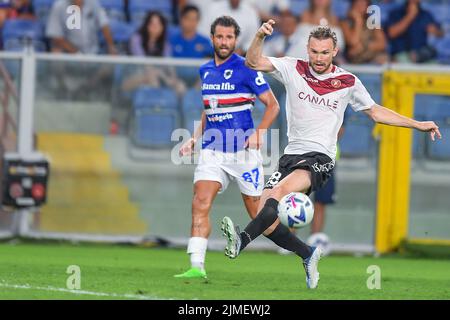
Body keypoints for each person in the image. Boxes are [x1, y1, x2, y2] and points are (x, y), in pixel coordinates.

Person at [220, 21, 442, 289]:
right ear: (308, 50)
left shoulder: (348, 81)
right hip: (290, 155)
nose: (319, 57)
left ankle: (240, 241)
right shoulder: (293, 67)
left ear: (334, 51)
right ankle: (308, 253)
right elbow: (253, 63)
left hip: (319, 159)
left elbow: (376, 112)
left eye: (324, 52)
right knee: (264, 217)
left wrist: (417, 124)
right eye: (314, 52)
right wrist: (258, 36)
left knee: (275, 197)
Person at [174, 16, 280, 279]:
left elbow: (273, 105)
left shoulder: (247, 68)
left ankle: (301, 248)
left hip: (243, 153)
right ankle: (196, 266)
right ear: (212, 38)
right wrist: (194, 139)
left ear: (235, 39)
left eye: (229, 37)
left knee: (258, 214)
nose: (224, 42)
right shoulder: (205, 70)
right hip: (212, 150)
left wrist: (259, 133)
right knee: (200, 202)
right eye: (219, 37)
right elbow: (209, 109)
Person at [46, 0, 116, 54]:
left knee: (111, 56)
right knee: (56, 52)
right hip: (68, 53)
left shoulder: (93, 2)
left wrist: (111, 46)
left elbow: (104, 25)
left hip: (93, 52)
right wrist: (77, 54)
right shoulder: (59, 6)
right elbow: (56, 36)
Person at [341, 0, 388, 64]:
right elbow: (353, 42)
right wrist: (358, 21)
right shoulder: (345, 23)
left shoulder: (373, 22)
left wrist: (363, 46)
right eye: (357, 4)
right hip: (354, 62)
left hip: (373, 60)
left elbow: (382, 44)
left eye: (363, 4)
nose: (359, 7)